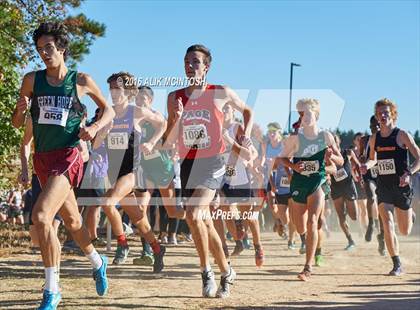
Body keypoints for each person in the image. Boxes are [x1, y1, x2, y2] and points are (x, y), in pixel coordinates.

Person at [11, 22, 114, 309]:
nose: (44, 53)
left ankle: (52, 290)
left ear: (62, 49)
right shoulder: (32, 80)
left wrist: (94, 128)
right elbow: (18, 124)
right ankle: (97, 260)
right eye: (39, 48)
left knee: (42, 217)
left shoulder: (80, 80)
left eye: (49, 48)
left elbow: (109, 110)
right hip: (42, 158)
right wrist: (18, 112)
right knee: (72, 221)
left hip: (69, 156)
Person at [164, 44, 253, 298]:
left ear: (206, 67)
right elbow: (170, 137)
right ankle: (227, 271)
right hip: (188, 162)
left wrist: (244, 135)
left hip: (213, 160)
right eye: (186, 61)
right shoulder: (174, 97)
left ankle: (206, 273)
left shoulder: (220, 92)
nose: (190, 66)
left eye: (195, 62)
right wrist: (177, 119)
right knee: (203, 220)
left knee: (193, 213)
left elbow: (247, 110)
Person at [279, 98, 343, 281]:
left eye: (308, 113)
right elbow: (282, 159)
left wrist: (332, 156)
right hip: (300, 182)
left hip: (318, 180)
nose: (305, 117)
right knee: (299, 224)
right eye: (302, 114)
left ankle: (307, 267)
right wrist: (294, 167)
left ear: (316, 114)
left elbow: (341, 162)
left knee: (313, 220)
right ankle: (309, 241)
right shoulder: (295, 139)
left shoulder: (326, 137)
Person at [361, 98, 419, 276]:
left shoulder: (402, 135)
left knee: (404, 230)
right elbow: (372, 159)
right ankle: (397, 264)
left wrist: (408, 173)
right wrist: (367, 166)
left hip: (401, 186)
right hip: (384, 187)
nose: (383, 116)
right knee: (387, 224)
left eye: (386, 112)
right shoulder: (374, 138)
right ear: (377, 118)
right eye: (380, 114)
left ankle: (411, 215)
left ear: (392, 114)